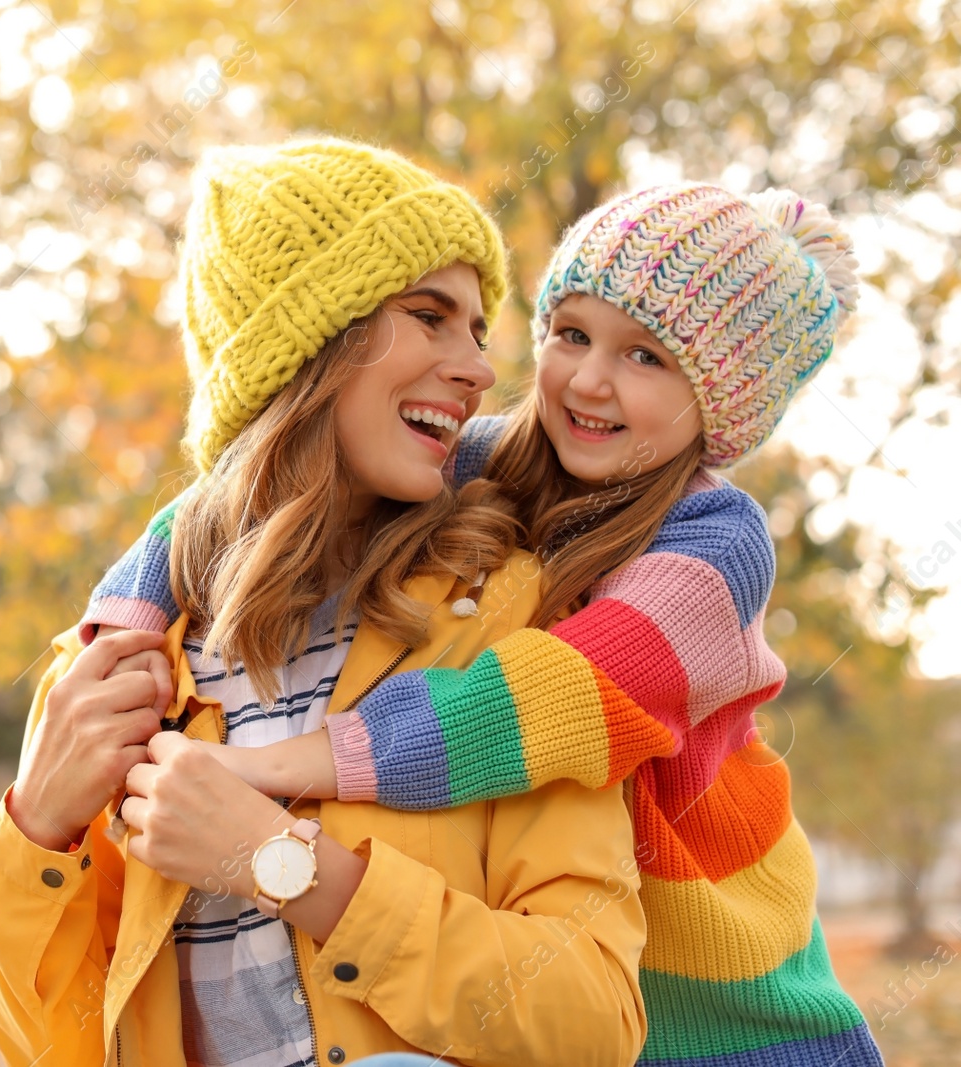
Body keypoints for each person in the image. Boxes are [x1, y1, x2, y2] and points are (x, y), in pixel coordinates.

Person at [80, 183, 884, 1065]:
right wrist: (119, 633)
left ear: (721, 408)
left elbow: (544, 701)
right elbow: (230, 498)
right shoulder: (478, 460)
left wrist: (284, 766)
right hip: (574, 984)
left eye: (647, 358)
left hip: (740, 1011)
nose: (588, 379)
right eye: (571, 333)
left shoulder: (716, 545)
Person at [0, 138, 648, 1067]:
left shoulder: (510, 619)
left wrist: (288, 867)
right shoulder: (116, 669)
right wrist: (36, 830)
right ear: (307, 342)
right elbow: (49, 1048)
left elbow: (594, 1019)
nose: (480, 370)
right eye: (430, 315)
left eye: (478, 330)